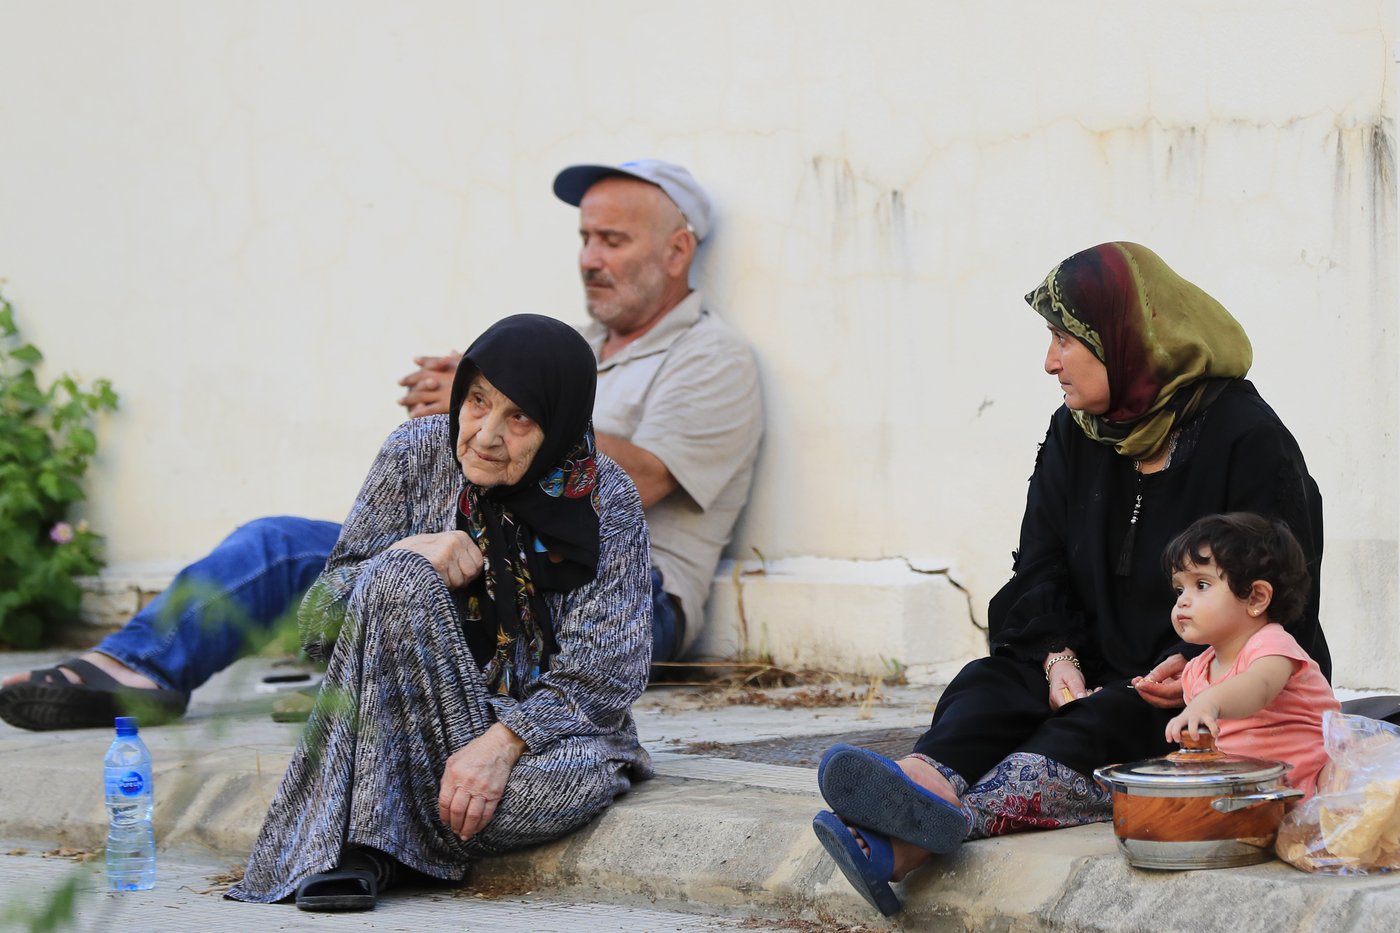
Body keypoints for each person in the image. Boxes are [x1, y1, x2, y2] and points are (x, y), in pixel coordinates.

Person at [0, 159, 761, 731]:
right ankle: (136, 666)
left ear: (676, 251)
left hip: (616, 600)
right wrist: (476, 405)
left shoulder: (712, 357)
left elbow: (648, 480)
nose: (589, 257)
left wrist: (518, 401)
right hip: (492, 559)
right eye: (585, 238)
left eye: (613, 239)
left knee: (326, 560)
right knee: (300, 547)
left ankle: (340, 684)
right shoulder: (576, 348)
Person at [811, 241, 1330, 917]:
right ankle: (917, 785)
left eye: (1064, 338)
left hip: (1207, 691)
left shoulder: (1247, 438)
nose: (1049, 361)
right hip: (1090, 663)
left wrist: (1192, 662)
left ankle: (912, 836)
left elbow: (1277, 591)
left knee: (1104, 718)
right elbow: (1040, 564)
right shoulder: (1078, 432)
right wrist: (1057, 658)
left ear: (1124, 338)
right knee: (990, 682)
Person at [226, 313, 653, 910]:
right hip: (407, 725)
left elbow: (607, 675)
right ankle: (372, 845)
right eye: (477, 402)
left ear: (558, 422)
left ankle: (381, 827)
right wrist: (406, 553)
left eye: (519, 416)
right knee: (399, 574)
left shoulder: (604, 498)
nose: (484, 434)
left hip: (533, 738)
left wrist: (504, 743)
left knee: (549, 788)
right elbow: (319, 626)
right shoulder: (413, 456)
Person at [1162, 512, 1339, 800]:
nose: (1182, 599)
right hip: (1259, 798)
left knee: (1351, 781)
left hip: (1317, 790)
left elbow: (1258, 687)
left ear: (1256, 598)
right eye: (1179, 588)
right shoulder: (1196, 671)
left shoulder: (1272, 646)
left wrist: (1209, 703)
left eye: (1201, 585)